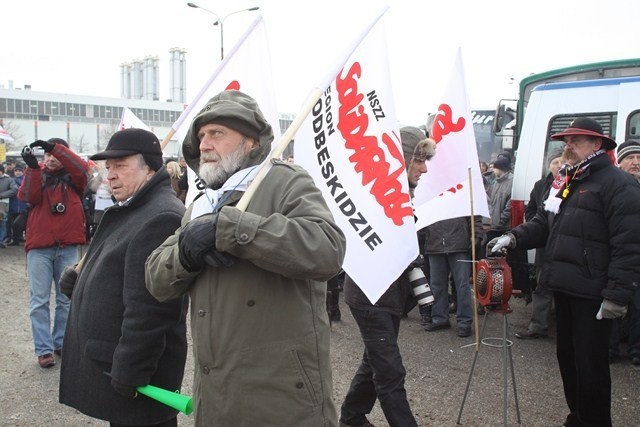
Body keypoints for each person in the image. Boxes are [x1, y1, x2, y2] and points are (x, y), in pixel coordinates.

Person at [145, 90, 346, 426]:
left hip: (282, 401)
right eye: (201, 136)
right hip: (217, 399)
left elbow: (327, 249)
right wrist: (186, 253)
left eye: (216, 134)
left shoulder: (284, 182)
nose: (204, 144)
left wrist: (233, 228)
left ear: (251, 142)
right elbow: (156, 280)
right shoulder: (201, 205)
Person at [489, 118, 640, 427]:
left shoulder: (617, 183)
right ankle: (577, 418)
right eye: (567, 140)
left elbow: (630, 245)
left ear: (596, 145)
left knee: (591, 367)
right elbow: (544, 223)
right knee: (569, 363)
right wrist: (514, 236)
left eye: (576, 140)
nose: (568, 145)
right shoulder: (569, 180)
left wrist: (617, 294)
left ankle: (595, 422)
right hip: (564, 287)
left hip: (594, 292)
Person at [58, 128, 188, 427]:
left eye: (121, 166)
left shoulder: (160, 217)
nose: (110, 175)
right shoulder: (132, 208)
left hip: (137, 376)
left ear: (150, 168)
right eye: (108, 168)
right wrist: (80, 284)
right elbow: (118, 274)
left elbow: (151, 308)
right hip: (116, 364)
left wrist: (132, 369)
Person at [339, 132, 436, 427]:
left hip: (388, 295)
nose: (425, 168)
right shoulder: (376, 196)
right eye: (419, 159)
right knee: (390, 371)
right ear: (401, 160)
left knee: (375, 361)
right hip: (372, 295)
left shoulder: (402, 194)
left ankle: (352, 417)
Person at [18, 138, 89, 368]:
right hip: (39, 248)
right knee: (38, 301)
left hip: (67, 246)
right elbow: (28, 196)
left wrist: (55, 148)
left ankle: (60, 342)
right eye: (47, 155)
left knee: (65, 299)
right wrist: (31, 167)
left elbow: (82, 168)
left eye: (55, 154)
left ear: (64, 154)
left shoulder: (75, 179)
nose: (50, 158)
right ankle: (44, 349)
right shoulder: (36, 174)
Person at [515, 148, 566, 340]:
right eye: (555, 162)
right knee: (542, 286)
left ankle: (564, 328)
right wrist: (535, 224)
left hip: (565, 245)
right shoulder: (540, 185)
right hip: (544, 244)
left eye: (563, 162)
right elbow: (532, 209)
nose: (559, 166)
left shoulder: (573, 183)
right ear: (549, 165)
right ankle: (538, 326)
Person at [423, 213, 483, 337]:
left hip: (458, 243)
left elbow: (473, 213)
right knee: (437, 285)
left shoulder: (462, 193)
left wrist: (476, 234)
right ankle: (440, 318)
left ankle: (464, 321)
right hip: (435, 243)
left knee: (462, 285)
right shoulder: (428, 193)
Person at [609, 139, 640, 365]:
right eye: (630, 158)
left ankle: (637, 350)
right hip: (617, 255)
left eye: (639, 158)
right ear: (620, 162)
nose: (636, 163)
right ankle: (609, 349)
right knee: (614, 303)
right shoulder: (613, 187)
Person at [0, 163, 18, 248]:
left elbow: (14, 190)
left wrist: (2, 195)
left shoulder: (9, 179)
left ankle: (1, 240)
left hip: (3, 203)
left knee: (2, 222)